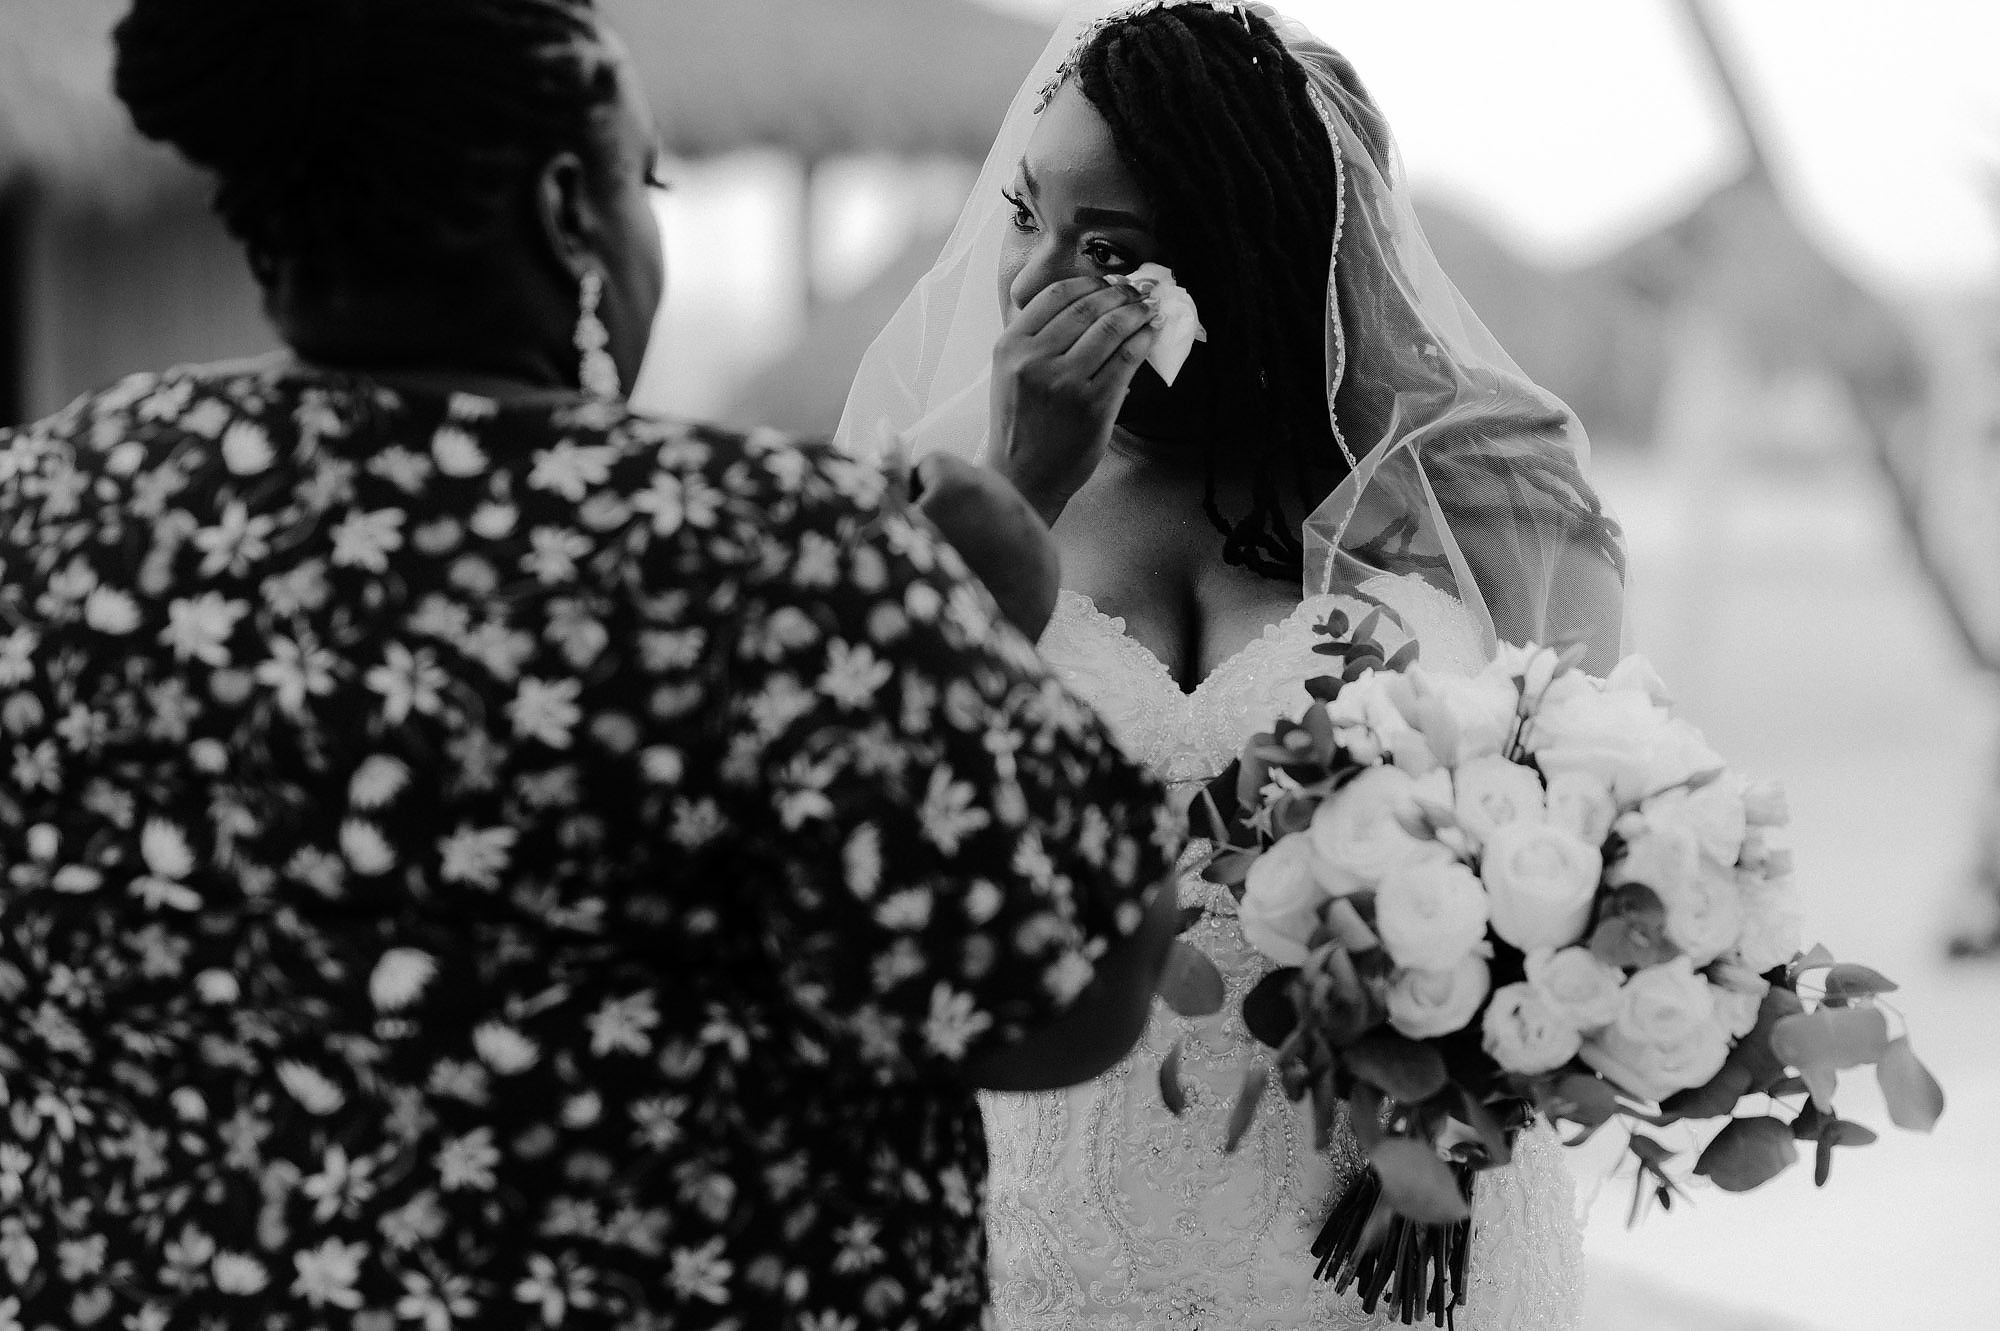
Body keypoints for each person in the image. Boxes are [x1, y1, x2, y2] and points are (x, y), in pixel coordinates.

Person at [0, 2, 1183, 1328]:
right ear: (569, 209)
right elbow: (1067, 991)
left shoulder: (41, 510)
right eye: (646, 185)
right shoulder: (766, 550)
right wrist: (977, 615)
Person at [837, 2, 1626, 1327]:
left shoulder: (1493, 502)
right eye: (1026, 215)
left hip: (1400, 1241)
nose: (1030, 286)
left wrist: (1463, 1115)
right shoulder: (930, 504)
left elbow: (1594, 863)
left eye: (1108, 251)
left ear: (1243, 261)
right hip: (1040, 1242)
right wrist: (1018, 490)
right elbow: (851, 834)